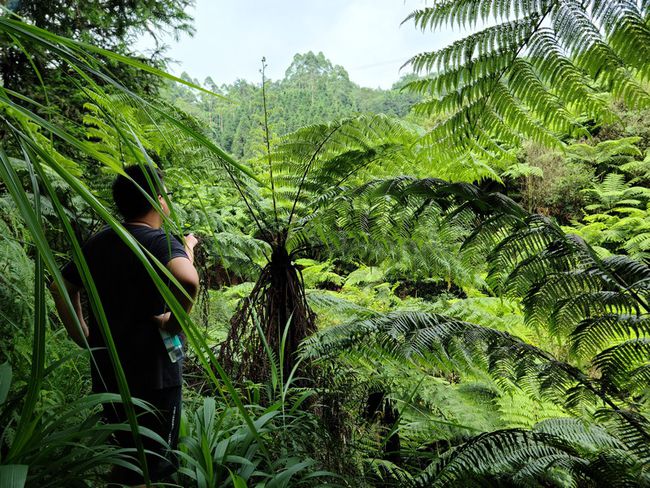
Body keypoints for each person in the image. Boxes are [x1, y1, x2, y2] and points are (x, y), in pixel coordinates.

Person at [51, 165, 199, 486]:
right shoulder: (161, 242)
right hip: (156, 378)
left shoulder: (99, 242)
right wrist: (174, 323)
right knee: (152, 466)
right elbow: (188, 280)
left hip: (108, 370)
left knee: (123, 457)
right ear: (159, 202)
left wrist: (80, 333)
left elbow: (60, 286)